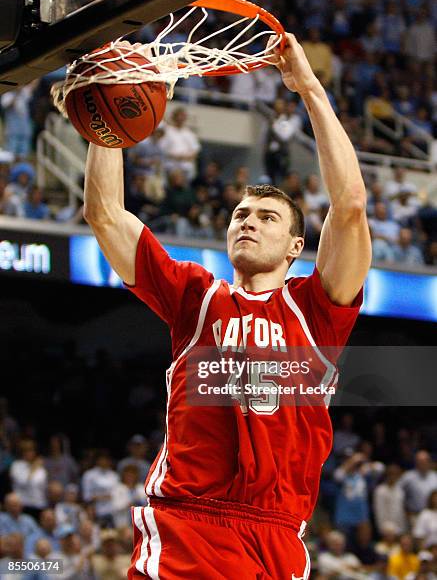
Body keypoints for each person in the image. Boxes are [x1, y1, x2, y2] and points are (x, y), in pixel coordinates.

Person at [83, 33, 371, 579]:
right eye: (241, 214)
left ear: (295, 247)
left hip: (278, 535)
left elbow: (351, 204)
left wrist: (308, 86)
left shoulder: (317, 308)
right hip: (191, 526)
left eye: (266, 217)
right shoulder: (197, 297)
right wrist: (107, 120)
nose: (248, 222)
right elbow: (105, 215)